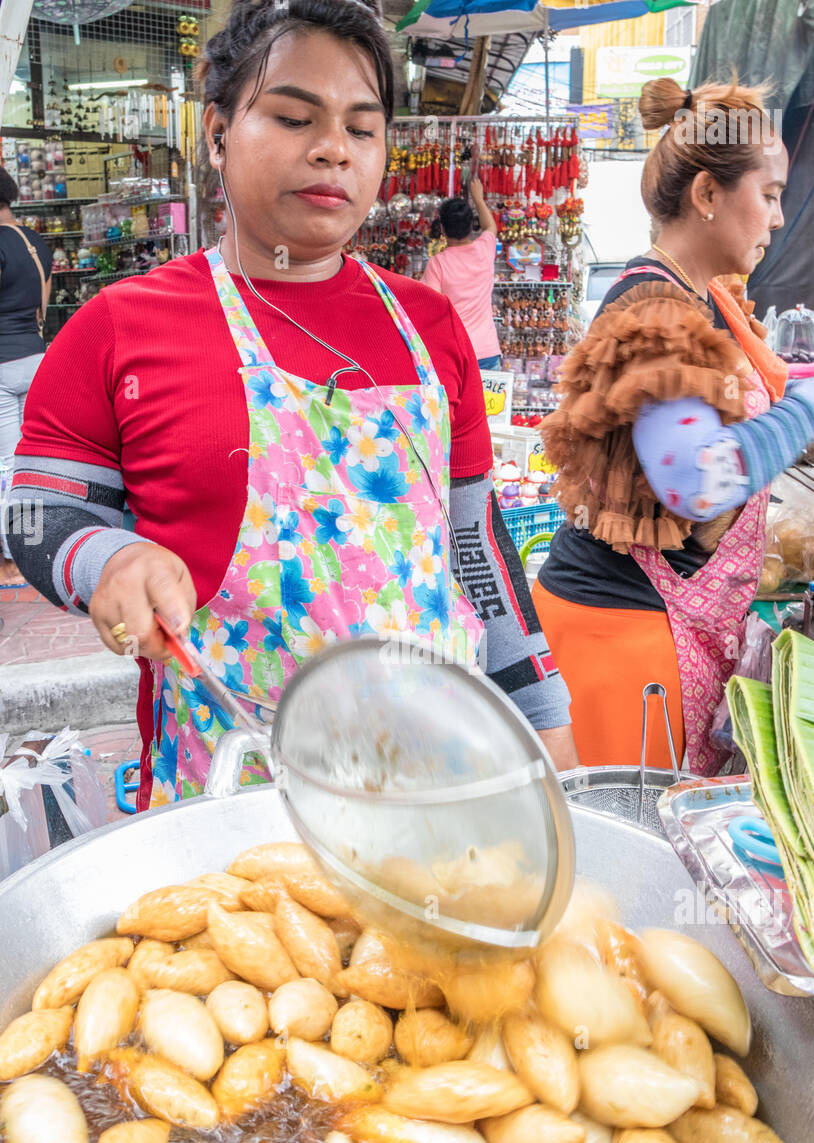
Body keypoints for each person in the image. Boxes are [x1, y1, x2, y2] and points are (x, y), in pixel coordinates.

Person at [8, 0, 576, 810]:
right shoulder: (119, 328)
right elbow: (37, 512)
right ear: (216, 132)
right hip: (229, 791)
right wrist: (110, 560)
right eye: (291, 116)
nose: (332, 151)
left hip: (437, 788)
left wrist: (543, 710)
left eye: (362, 128)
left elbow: (473, 541)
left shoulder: (428, 323)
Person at [533, 75, 814, 775]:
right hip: (622, 636)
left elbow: (751, 391)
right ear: (708, 195)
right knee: (625, 862)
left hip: (658, 627)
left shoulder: (702, 297)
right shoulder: (653, 310)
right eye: (770, 196)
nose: (779, 219)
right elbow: (697, 478)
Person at [0, 166, 52, 584]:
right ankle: (32, 542)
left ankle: (12, 555)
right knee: (29, 459)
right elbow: (42, 309)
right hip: (33, 359)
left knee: (3, 464)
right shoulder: (36, 244)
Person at [421, 178, 501, 370]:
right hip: (487, 352)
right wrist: (478, 198)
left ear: (442, 229)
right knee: (486, 402)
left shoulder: (437, 264)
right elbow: (490, 227)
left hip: (455, 353)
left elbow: (429, 305)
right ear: (471, 225)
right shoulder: (485, 249)